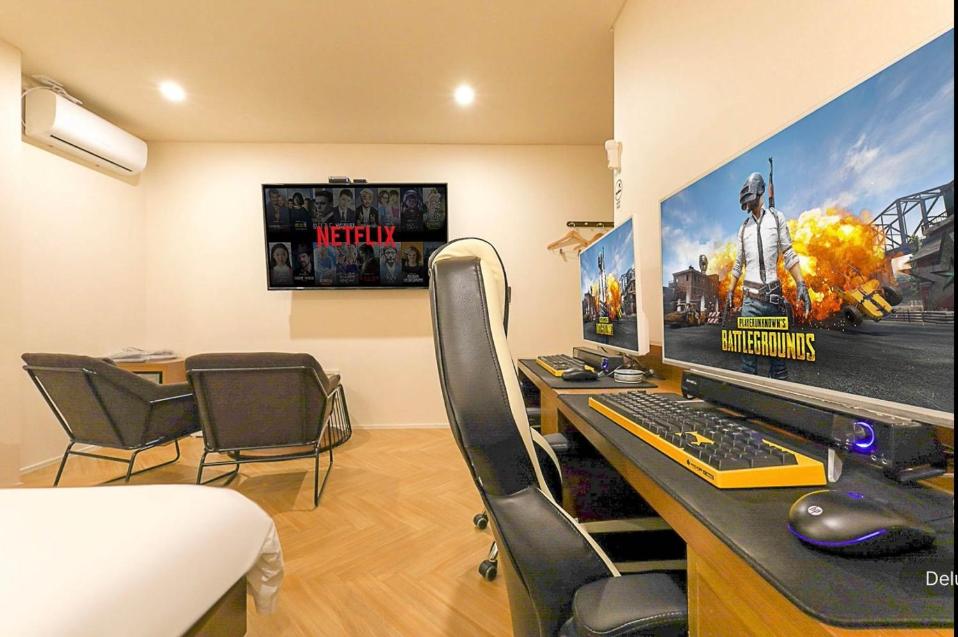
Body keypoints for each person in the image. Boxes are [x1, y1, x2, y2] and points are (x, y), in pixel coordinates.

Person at [726, 172, 812, 380]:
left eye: (751, 197)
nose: (748, 203)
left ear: (760, 192)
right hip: (750, 303)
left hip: (774, 301)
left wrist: (801, 284)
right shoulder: (743, 229)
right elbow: (738, 264)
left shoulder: (776, 217)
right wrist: (729, 291)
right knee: (748, 367)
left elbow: (788, 253)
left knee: (779, 367)